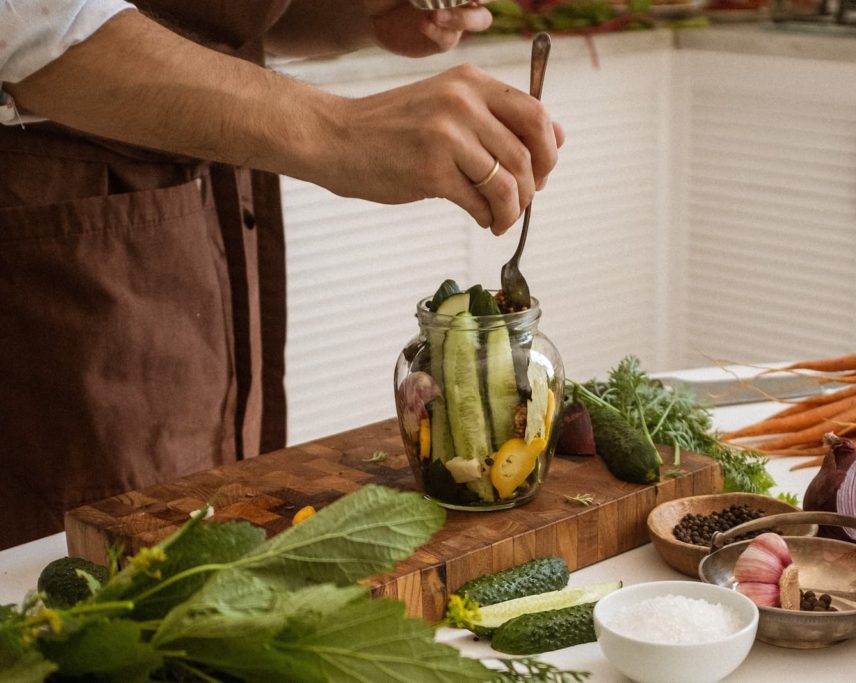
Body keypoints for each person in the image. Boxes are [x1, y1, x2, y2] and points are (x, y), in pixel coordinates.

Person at [0, 0, 564, 549]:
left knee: (209, 524)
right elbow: (25, 21)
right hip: (52, 220)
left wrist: (357, 12)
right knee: (77, 565)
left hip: (207, 203)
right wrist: (339, 129)